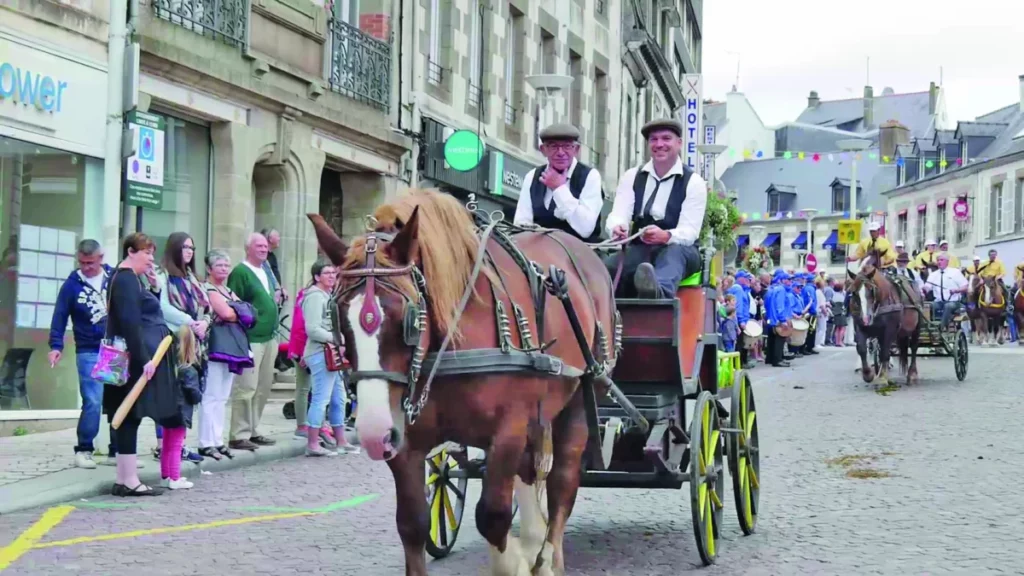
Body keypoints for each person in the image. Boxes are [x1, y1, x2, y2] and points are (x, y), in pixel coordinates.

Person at [105, 233, 181, 497]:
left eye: (152, 253)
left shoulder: (129, 279)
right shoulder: (126, 279)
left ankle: (125, 478)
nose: (151, 259)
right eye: (146, 253)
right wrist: (144, 359)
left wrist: (154, 289)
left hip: (128, 357)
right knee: (129, 415)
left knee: (129, 416)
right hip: (131, 359)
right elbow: (130, 322)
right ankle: (128, 480)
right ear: (130, 251)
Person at [604, 119, 707, 299]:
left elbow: (690, 232)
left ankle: (657, 295)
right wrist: (617, 227)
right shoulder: (632, 176)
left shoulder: (694, 182)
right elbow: (619, 213)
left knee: (672, 257)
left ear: (679, 143)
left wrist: (666, 236)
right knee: (608, 268)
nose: (659, 144)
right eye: (654, 139)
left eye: (666, 138)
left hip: (681, 248)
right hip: (641, 247)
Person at [48, 240, 122, 469]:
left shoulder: (114, 278)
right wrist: (56, 346)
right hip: (88, 348)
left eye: (90, 263)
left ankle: (117, 451)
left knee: (116, 400)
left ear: (101, 258)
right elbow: (59, 316)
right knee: (93, 400)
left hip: (114, 347)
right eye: (82, 262)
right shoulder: (71, 285)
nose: (86, 267)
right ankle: (84, 449)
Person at [153, 232, 209, 464]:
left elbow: (205, 305)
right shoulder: (162, 275)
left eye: (192, 248)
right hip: (172, 339)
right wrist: (190, 321)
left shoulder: (192, 278)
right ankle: (162, 446)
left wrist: (204, 322)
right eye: (185, 247)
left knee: (188, 391)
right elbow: (163, 307)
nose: (189, 252)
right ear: (175, 248)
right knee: (170, 393)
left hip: (193, 342)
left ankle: (180, 444)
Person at [227, 233, 279, 451]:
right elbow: (233, 302)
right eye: (259, 246)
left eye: (265, 246)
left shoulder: (265, 270)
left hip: (270, 336)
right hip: (251, 338)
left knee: (263, 386)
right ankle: (238, 434)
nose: (264, 249)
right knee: (246, 386)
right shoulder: (241, 272)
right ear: (248, 248)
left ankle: (253, 429)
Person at [301, 259, 359, 456]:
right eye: (327, 273)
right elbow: (312, 329)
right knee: (321, 398)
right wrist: (338, 339)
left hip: (332, 354)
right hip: (320, 353)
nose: (332, 276)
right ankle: (312, 444)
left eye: (333, 273)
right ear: (317, 276)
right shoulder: (314, 297)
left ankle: (341, 441)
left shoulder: (328, 295)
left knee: (339, 399)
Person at [513, 123, 603, 241]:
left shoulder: (590, 176)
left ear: (576, 149)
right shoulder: (532, 177)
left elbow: (585, 229)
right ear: (543, 150)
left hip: (579, 249)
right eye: (553, 146)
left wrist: (559, 189)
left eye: (567, 146)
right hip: (538, 248)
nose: (560, 152)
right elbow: (521, 224)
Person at [199, 249, 242, 461]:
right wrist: (236, 311)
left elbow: (247, 311)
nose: (224, 269)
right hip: (213, 345)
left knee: (223, 396)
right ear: (209, 268)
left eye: (226, 265)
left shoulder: (227, 290)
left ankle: (217, 440)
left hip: (229, 346)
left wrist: (236, 311)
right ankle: (205, 442)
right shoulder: (207, 288)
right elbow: (227, 313)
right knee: (211, 395)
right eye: (219, 265)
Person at [162, 325, 204, 490]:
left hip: (166, 409)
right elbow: (193, 393)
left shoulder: (170, 368)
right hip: (180, 412)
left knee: (166, 444)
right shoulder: (189, 370)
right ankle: (175, 478)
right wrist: (200, 396)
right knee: (176, 445)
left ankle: (166, 475)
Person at [922, 253, 969, 330]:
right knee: (927, 306)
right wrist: (924, 289)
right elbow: (928, 287)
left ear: (947, 261)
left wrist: (956, 290)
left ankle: (941, 328)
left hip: (954, 302)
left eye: (941, 260)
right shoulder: (933, 275)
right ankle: (927, 327)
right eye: (938, 260)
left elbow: (966, 287)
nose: (939, 262)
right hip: (938, 302)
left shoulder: (955, 272)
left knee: (948, 306)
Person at [729, 270, 753, 368]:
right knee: (739, 344)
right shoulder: (738, 289)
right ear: (740, 278)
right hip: (739, 321)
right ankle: (738, 365)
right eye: (745, 278)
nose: (748, 280)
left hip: (741, 320)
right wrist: (741, 320)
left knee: (741, 343)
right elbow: (738, 306)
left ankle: (741, 363)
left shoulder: (741, 289)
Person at [260, 227, 287, 306]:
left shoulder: (272, 256)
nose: (279, 238)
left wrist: (280, 288)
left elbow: (273, 274)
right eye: (277, 236)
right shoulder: (263, 257)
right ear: (270, 239)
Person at [831, 280, 848, 346]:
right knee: (842, 328)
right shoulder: (841, 296)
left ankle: (837, 342)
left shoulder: (834, 295)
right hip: (841, 313)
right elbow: (844, 304)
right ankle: (840, 341)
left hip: (835, 313)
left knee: (837, 328)